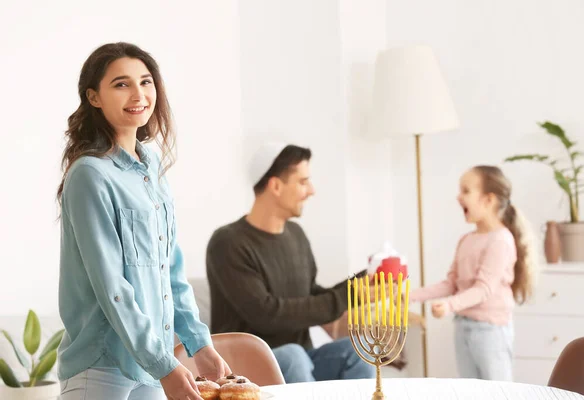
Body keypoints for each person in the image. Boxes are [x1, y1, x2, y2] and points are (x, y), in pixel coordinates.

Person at [56, 42, 230, 400]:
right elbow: (111, 287)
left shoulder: (152, 169)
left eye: (146, 81)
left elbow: (171, 272)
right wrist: (164, 364)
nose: (138, 94)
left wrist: (199, 343)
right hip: (101, 369)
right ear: (94, 97)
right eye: (121, 84)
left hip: (150, 370)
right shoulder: (90, 174)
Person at [206, 142, 376, 383]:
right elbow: (266, 315)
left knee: (359, 352)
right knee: (293, 355)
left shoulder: (296, 234)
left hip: (302, 360)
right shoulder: (227, 243)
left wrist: (361, 284)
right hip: (244, 368)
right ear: (276, 185)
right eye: (303, 182)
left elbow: (310, 295)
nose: (311, 190)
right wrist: (347, 296)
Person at [410, 165, 537, 381]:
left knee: (499, 393)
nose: (458, 197)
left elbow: (484, 289)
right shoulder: (467, 240)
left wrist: (449, 305)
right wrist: (409, 296)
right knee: (471, 392)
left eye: (466, 191)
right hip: (463, 327)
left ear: (489, 200)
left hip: (491, 331)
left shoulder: (501, 240)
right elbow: (451, 284)